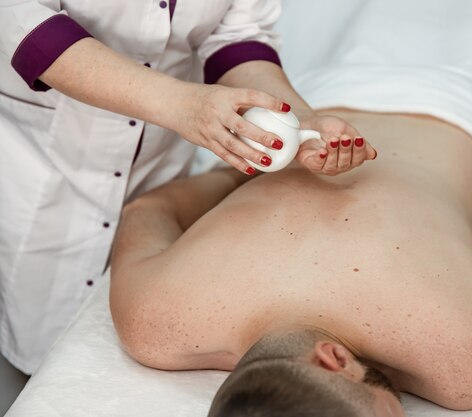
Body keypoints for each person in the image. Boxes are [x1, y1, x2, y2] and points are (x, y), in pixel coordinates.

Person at [109, 110, 472, 414]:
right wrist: (244, 173)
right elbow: (148, 211)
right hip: (309, 108)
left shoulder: (470, 361)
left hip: (458, 110)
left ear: (335, 360)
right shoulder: (151, 321)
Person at [0, 1, 375, 374]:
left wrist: (298, 119)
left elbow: (237, 38)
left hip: (157, 162)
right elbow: (24, 21)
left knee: (112, 342)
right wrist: (180, 104)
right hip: (46, 161)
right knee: (34, 330)